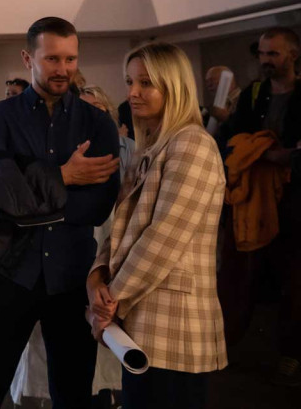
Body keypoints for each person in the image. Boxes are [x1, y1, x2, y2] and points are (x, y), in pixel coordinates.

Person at [0, 17, 121, 409]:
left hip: (70, 277)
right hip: (9, 272)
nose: (63, 69)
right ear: (28, 57)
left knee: (73, 395)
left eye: (70, 59)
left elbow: (98, 206)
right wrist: (65, 175)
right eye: (52, 59)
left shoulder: (97, 123)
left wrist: (23, 190)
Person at [88, 42, 227, 409]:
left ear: (174, 86)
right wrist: (97, 278)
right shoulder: (150, 148)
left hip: (176, 326)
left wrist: (110, 300)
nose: (132, 92)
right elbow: (120, 227)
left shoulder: (193, 144)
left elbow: (163, 237)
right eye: (130, 81)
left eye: (146, 83)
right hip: (143, 319)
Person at [221, 27, 301, 385]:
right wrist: (267, 153)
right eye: (263, 54)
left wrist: (283, 158)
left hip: (294, 202)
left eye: (274, 54)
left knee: (294, 281)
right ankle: (227, 347)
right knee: (241, 278)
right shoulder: (254, 94)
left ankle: (291, 354)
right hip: (252, 200)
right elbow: (233, 140)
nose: (266, 61)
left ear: (293, 55)